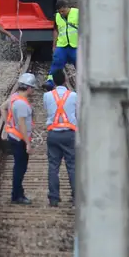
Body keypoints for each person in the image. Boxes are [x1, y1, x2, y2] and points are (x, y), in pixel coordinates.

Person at [44, 69, 78, 208]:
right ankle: (76, 197)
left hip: (53, 134)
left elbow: (48, 110)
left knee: (53, 166)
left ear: (54, 82)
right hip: (69, 134)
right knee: (72, 166)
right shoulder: (74, 95)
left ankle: (54, 198)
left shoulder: (47, 96)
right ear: (65, 80)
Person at [4, 72, 36, 205]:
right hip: (20, 139)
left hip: (13, 136)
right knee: (20, 168)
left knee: (19, 166)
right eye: (33, 88)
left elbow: (2, 108)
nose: (33, 90)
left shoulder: (14, 97)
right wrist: (28, 144)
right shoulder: (22, 104)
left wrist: (8, 123)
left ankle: (18, 193)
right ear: (28, 88)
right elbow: (22, 125)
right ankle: (16, 195)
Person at [45, 1, 78, 90]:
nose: (61, 13)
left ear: (67, 7)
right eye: (59, 12)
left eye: (63, 11)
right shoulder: (57, 16)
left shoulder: (77, 13)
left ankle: (83, 84)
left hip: (75, 45)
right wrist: (54, 45)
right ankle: (50, 82)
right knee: (56, 63)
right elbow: (56, 30)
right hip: (62, 45)